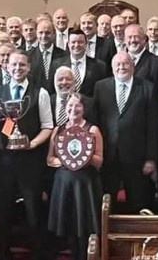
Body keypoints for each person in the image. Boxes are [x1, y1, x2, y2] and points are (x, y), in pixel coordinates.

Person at [0, 49, 55, 259]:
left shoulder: (40, 93)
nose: (17, 68)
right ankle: (1, 252)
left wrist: (32, 144)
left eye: (22, 65)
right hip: (5, 159)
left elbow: (48, 126)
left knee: (33, 209)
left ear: (29, 67)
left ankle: (39, 253)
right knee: (2, 209)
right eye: (14, 64)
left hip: (30, 159)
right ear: (7, 66)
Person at [93, 52, 158, 214]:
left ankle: (137, 239)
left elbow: (153, 126)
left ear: (133, 66)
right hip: (108, 158)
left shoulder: (147, 88)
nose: (122, 67)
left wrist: (151, 158)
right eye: (118, 64)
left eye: (125, 64)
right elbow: (96, 122)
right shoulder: (101, 87)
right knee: (107, 206)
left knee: (138, 203)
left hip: (137, 159)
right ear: (112, 67)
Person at [46, 93, 103, 260]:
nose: (73, 109)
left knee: (85, 226)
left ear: (84, 108)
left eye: (77, 105)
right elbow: (50, 159)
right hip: (64, 184)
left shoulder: (93, 130)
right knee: (68, 225)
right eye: (70, 106)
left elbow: (99, 161)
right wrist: (68, 161)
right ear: (65, 108)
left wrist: (84, 156)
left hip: (85, 184)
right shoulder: (58, 129)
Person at [51, 29, 109, 98]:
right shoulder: (57, 65)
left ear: (86, 44)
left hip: (89, 107)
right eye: (73, 42)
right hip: (64, 107)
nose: (76, 45)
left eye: (80, 42)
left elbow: (102, 93)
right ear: (68, 44)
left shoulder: (100, 66)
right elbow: (52, 90)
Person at [126, 24, 158, 98]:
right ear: (124, 40)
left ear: (144, 39)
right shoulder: (118, 62)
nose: (133, 40)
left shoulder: (157, 63)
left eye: (137, 37)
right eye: (129, 37)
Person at [29, 19, 68, 93]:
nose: (44, 36)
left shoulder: (64, 55)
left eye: (47, 33)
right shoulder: (28, 56)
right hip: (36, 99)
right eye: (41, 33)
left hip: (56, 97)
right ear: (36, 34)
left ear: (54, 34)